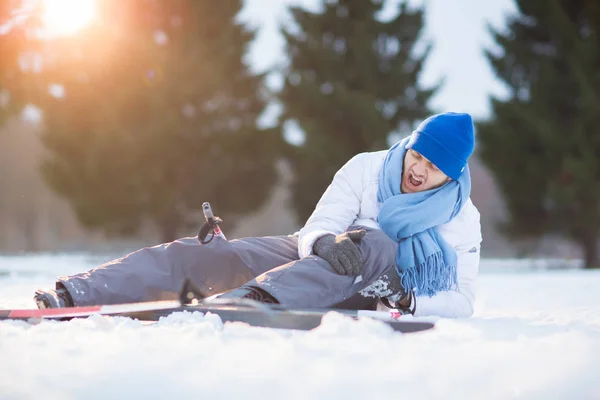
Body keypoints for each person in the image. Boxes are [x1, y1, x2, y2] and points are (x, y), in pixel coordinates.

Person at [34, 112, 482, 318]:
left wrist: (409, 301)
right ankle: (79, 292)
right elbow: (320, 225)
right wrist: (323, 242)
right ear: (410, 144)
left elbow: (463, 299)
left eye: (435, 166)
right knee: (216, 254)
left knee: (377, 240)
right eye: (418, 156)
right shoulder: (367, 167)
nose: (420, 170)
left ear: (453, 173)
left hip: (378, 286)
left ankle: (249, 304)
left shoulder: (463, 221)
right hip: (317, 262)